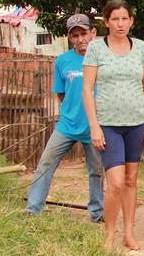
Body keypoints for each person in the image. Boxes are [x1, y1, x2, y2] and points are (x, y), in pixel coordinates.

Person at [82, 0, 144, 250]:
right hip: (109, 125)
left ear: (131, 21)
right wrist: (94, 126)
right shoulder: (96, 48)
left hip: (136, 122)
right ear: (106, 22)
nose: (120, 24)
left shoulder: (140, 48)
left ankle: (128, 233)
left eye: (125, 19)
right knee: (115, 182)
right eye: (115, 19)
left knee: (132, 180)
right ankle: (109, 234)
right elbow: (87, 89)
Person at [26, 14, 104, 223]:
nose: (80, 39)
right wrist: (72, 110)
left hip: (94, 127)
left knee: (96, 171)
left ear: (93, 33)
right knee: (45, 164)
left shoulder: (104, 58)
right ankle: (34, 209)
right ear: (70, 38)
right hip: (67, 125)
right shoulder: (63, 61)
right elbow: (61, 93)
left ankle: (97, 213)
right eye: (75, 35)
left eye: (84, 33)